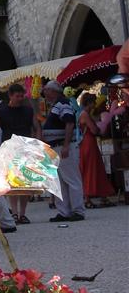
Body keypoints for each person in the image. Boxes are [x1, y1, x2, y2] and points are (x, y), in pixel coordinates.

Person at [0, 83, 37, 224]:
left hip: (26, 148)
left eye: (21, 95)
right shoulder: (2, 112)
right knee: (12, 182)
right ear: (10, 96)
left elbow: (36, 127)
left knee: (25, 183)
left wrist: (38, 145)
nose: (20, 98)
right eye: (17, 96)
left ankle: (22, 213)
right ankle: (15, 213)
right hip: (9, 149)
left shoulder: (29, 110)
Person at [42, 80, 86, 222]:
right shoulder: (56, 104)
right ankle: (64, 211)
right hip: (56, 147)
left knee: (71, 179)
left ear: (53, 91)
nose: (45, 93)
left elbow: (69, 123)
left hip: (63, 146)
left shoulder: (63, 103)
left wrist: (66, 144)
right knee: (60, 181)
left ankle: (77, 210)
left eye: (47, 90)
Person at [78, 93, 116, 208]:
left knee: (92, 169)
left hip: (87, 144)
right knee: (92, 169)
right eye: (93, 102)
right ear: (89, 103)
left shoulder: (83, 114)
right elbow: (94, 130)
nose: (94, 105)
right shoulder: (85, 115)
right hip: (89, 144)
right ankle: (88, 198)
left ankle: (96, 197)